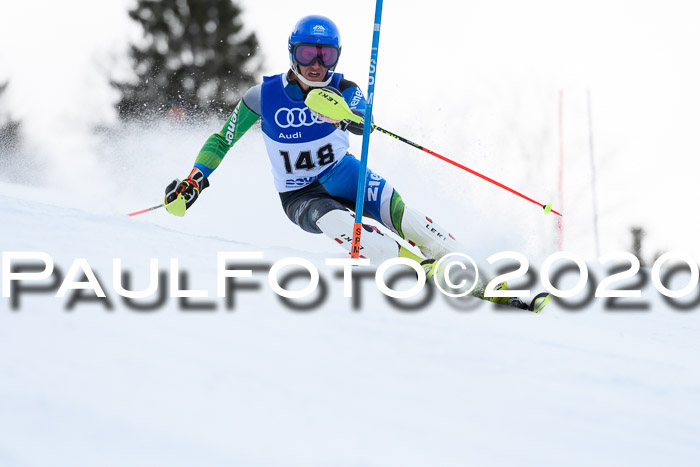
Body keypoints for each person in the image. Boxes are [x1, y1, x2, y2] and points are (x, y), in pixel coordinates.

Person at [164, 15, 545, 311]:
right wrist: (195, 179)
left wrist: (350, 116)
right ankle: (426, 270)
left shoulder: (344, 89)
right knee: (355, 233)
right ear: (292, 53)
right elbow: (221, 139)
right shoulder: (263, 97)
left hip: (345, 173)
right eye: (307, 54)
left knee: (409, 220)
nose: (316, 64)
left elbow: (365, 119)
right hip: (301, 196)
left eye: (326, 55)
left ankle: (487, 276)